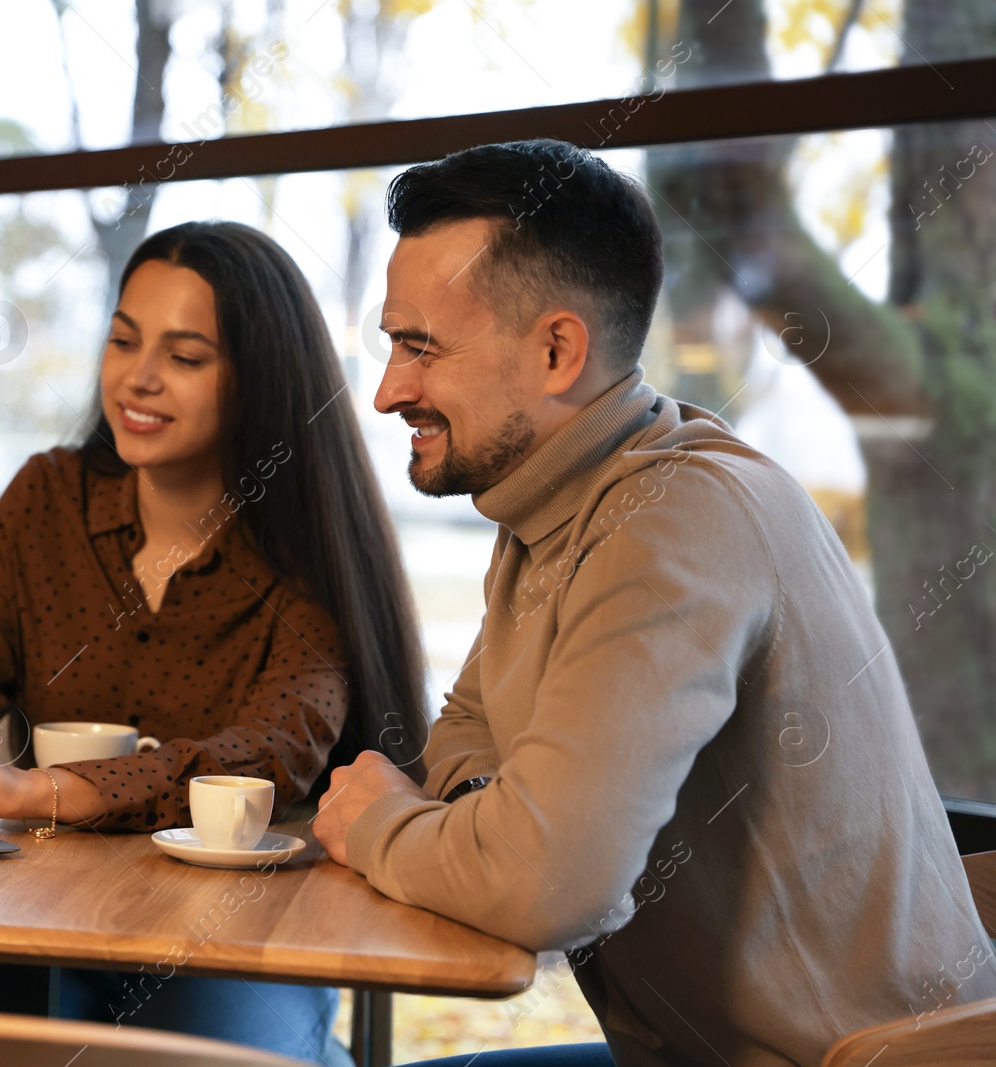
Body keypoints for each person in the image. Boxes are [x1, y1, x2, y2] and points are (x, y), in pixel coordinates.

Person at [313, 139, 996, 1066]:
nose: (390, 389)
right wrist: (489, 817)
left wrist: (375, 824)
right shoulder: (558, 504)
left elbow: (550, 888)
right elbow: (466, 729)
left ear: (558, 350)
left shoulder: (670, 521)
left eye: (418, 346)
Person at [0, 220, 427, 1063]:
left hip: (233, 925)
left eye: (185, 355)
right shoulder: (47, 500)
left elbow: (265, 755)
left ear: (259, 379)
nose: (138, 378)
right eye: (123, 340)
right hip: (37, 908)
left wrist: (31, 792)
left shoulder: (308, 554)